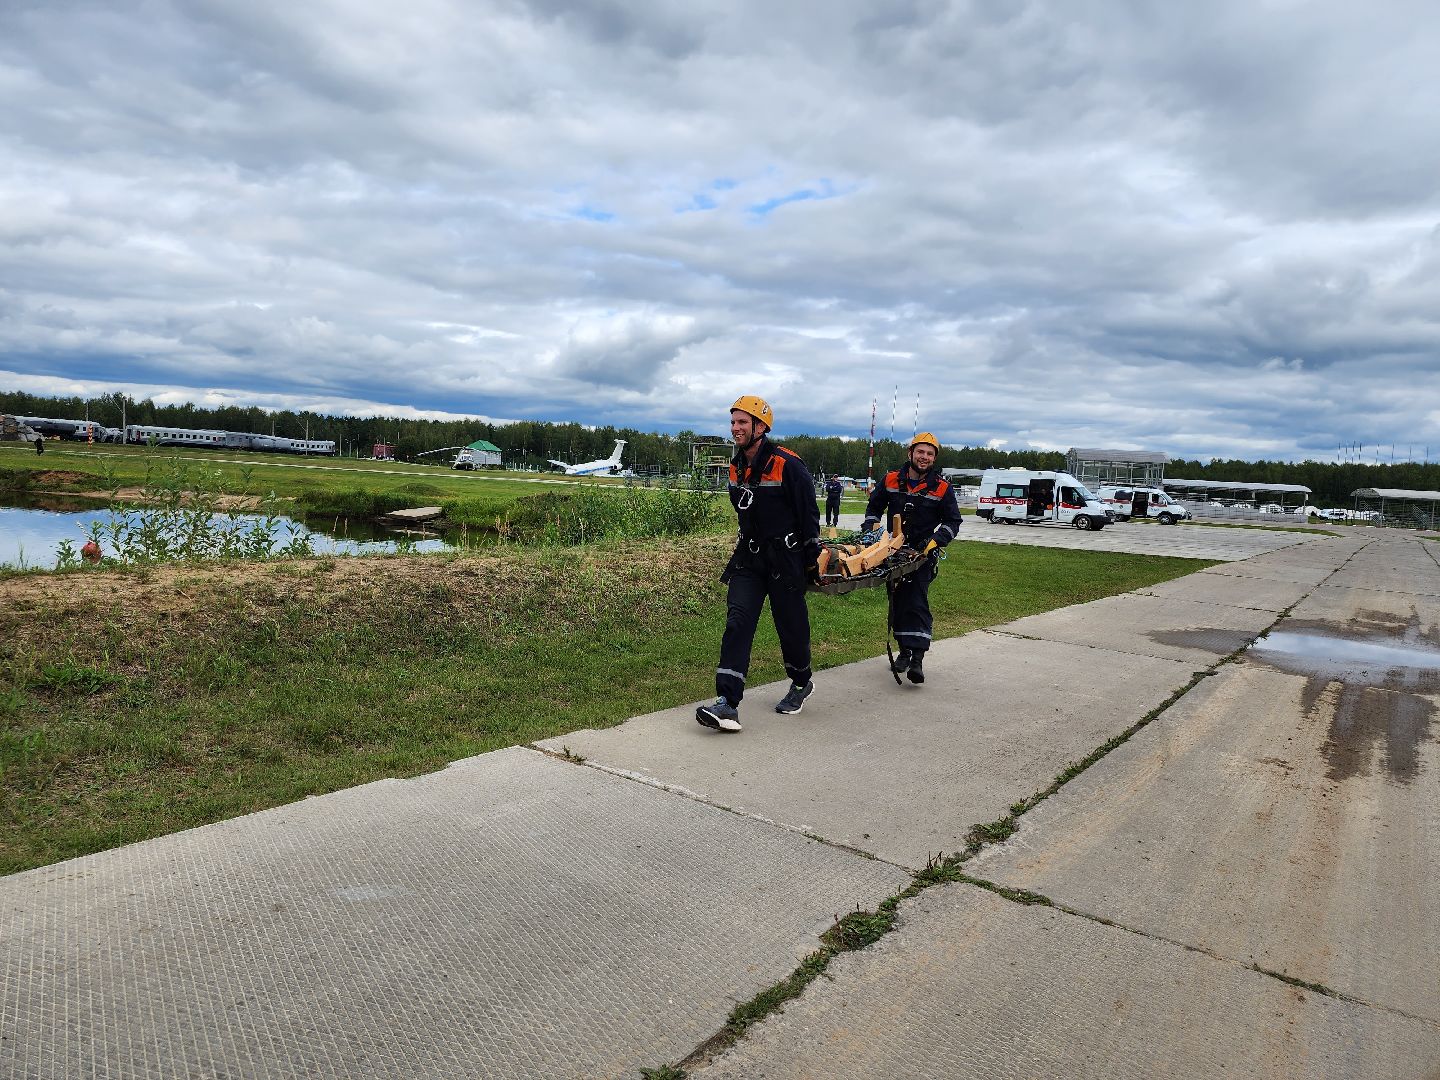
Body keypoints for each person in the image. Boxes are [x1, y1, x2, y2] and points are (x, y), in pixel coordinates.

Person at [696, 396, 822, 733]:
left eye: (742, 422)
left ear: (761, 427)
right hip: (750, 559)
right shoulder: (735, 467)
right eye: (733, 422)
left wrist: (810, 558)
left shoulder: (788, 464)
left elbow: (809, 514)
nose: (735, 428)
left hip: (785, 560)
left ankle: (801, 682)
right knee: (737, 622)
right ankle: (727, 703)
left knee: (791, 627)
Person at [861, 432, 962, 685]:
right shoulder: (891, 479)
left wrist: (936, 541)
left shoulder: (942, 488)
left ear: (934, 458)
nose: (924, 457)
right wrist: (872, 531)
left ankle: (917, 658)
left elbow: (953, 521)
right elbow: (874, 508)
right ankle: (904, 652)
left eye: (929, 453)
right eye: (920, 452)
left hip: (922, 555)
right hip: (893, 554)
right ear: (911, 453)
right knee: (897, 602)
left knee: (916, 601)